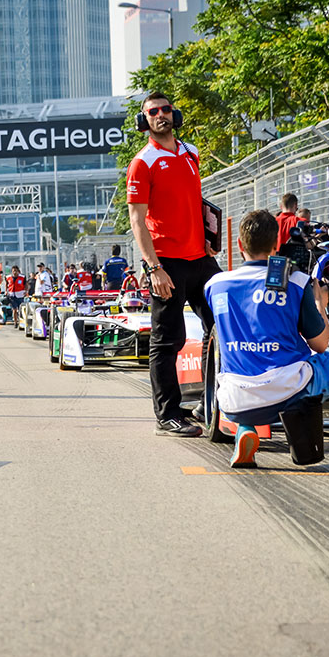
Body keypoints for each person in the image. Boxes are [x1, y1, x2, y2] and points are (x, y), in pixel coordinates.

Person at [205, 210, 329, 470]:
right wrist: (320, 304)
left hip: (233, 398)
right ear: (276, 245)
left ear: (239, 245)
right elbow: (321, 344)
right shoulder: (295, 281)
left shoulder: (215, 285)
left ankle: (245, 430)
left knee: (247, 357)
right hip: (287, 390)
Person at [127, 91, 221, 438]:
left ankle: (208, 401)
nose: (161, 115)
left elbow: (194, 200)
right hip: (167, 261)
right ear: (145, 121)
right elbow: (137, 220)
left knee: (223, 324)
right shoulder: (143, 161)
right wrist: (153, 268)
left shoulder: (190, 153)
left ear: (175, 114)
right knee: (168, 340)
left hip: (200, 257)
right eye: (153, 112)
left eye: (166, 109)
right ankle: (166, 414)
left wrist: (210, 236)